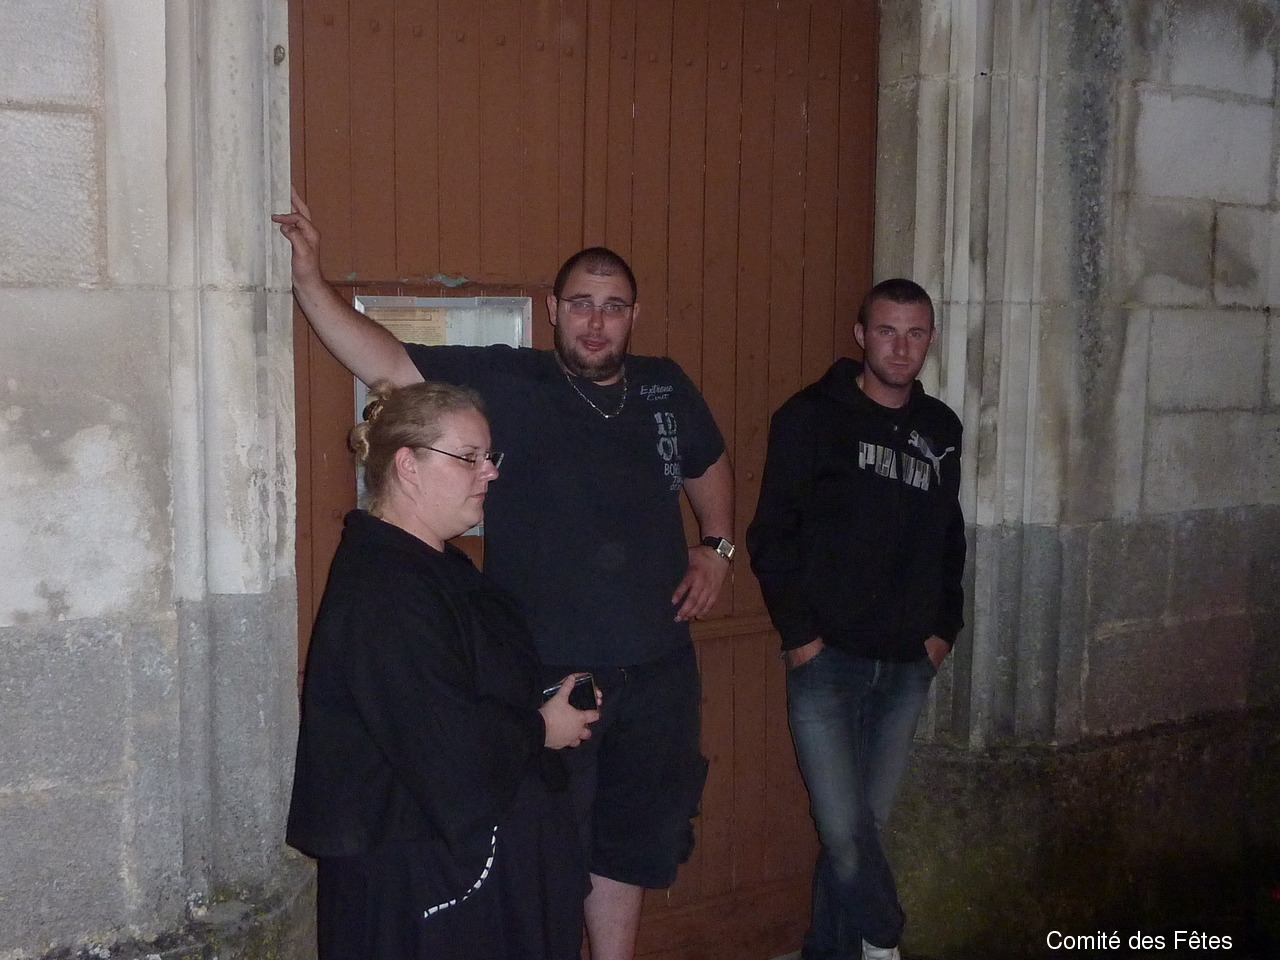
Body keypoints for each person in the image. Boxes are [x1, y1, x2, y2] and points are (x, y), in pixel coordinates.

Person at [275, 190, 735, 960]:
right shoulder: (508, 380)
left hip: (658, 666)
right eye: (581, 304)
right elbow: (384, 364)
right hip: (552, 671)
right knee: (550, 845)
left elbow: (709, 464)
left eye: (613, 307)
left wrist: (716, 547)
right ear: (552, 309)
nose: (596, 321)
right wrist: (310, 283)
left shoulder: (666, 385)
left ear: (635, 315)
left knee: (632, 845)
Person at [286, 379, 601, 959]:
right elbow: (440, 743)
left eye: (489, 456)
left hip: (457, 859)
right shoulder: (385, 587)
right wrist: (540, 728)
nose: (491, 472)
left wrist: (546, 697)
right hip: (420, 874)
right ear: (408, 466)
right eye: (469, 457)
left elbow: (468, 681)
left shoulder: (432, 566)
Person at [746, 279, 965, 960]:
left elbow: (949, 536)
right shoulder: (810, 418)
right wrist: (802, 638)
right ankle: (885, 941)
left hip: (906, 666)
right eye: (887, 331)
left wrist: (942, 631)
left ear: (931, 339)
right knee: (843, 831)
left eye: (915, 333)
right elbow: (770, 535)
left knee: (862, 829)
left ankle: (830, 950)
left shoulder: (941, 429)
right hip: (827, 662)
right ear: (861, 335)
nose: (901, 347)